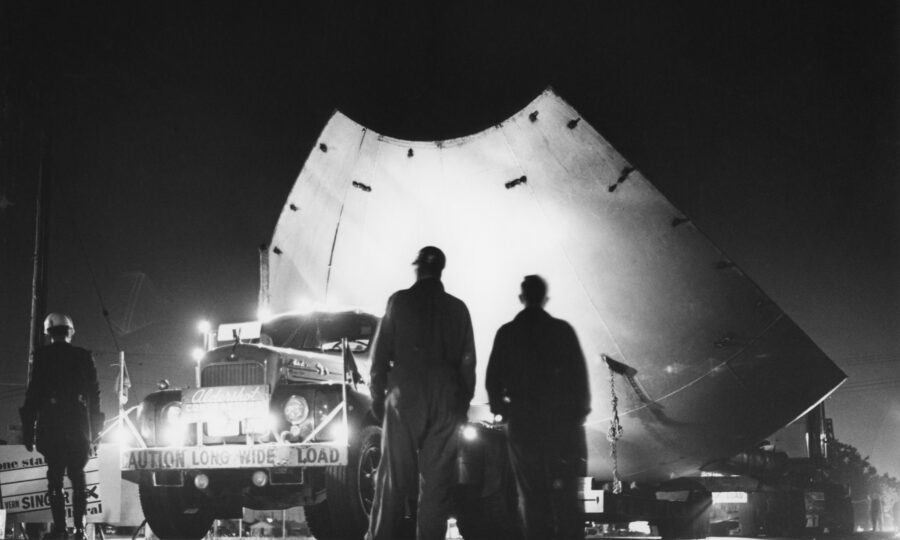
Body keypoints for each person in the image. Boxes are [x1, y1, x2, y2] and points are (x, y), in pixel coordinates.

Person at [366, 246, 476, 540]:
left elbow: (377, 359)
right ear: (442, 270)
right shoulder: (458, 309)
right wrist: (460, 407)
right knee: (437, 488)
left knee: (392, 481)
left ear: (417, 269)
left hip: (405, 395)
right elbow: (468, 363)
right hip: (447, 400)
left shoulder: (398, 302)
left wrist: (379, 399)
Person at [486, 275, 591, 540]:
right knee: (565, 496)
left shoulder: (507, 333)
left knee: (531, 496)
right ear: (546, 298)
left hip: (523, 422)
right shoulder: (563, 331)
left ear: (522, 298)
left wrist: (504, 411)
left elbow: (492, 379)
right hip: (560, 424)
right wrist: (576, 417)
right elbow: (579, 379)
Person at [20, 313, 104, 540]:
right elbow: (95, 397)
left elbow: (34, 394)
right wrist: (96, 431)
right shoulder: (83, 356)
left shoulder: (42, 356)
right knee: (78, 476)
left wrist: (28, 430)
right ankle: (79, 529)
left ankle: (60, 529)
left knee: (55, 477)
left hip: (52, 426)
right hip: (78, 426)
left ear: (49, 332)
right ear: (70, 331)